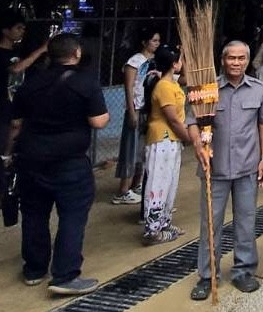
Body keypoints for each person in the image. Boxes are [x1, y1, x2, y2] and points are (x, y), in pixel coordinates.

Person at [5, 33, 109, 295]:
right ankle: (64, 275)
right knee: (72, 216)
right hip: (70, 162)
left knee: (34, 214)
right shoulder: (86, 83)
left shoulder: (30, 84)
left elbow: (16, 125)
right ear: (76, 54)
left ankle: (34, 269)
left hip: (31, 159)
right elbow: (99, 121)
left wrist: (7, 154)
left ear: (49, 55)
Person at [188, 41, 263, 300]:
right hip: (214, 169)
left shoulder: (257, 89)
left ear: (248, 61)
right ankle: (207, 275)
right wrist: (198, 146)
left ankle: (243, 271)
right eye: (231, 58)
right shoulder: (207, 89)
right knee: (210, 225)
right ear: (223, 60)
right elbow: (192, 122)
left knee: (246, 222)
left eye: (241, 58)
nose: (236, 63)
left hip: (247, 167)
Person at [141, 45, 190, 245]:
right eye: (179, 60)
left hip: (171, 141)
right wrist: (190, 136)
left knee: (169, 182)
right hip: (163, 139)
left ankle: (164, 222)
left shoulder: (171, 82)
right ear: (173, 63)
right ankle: (152, 230)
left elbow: (187, 78)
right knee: (158, 183)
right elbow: (173, 119)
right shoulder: (164, 86)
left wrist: (183, 54)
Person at [113, 25, 160, 205]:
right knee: (130, 148)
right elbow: (129, 87)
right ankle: (123, 190)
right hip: (136, 107)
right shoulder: (135, 62)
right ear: (144, 42)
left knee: (143, 148)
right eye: (154, 40)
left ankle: (136, 184)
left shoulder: (155, 61)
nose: (156, 44)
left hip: (149, 109)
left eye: (158, 41)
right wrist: (131, 111)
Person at [0, 9, 48, 156]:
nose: (22, 31)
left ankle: (7, 157)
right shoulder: (2, 53)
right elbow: (16, 69)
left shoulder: (16, 50)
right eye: (18, 28)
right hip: (3, 100)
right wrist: (41, 50)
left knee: (16, 127)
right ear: (5, 30)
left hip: (14, 98)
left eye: (23, 28)